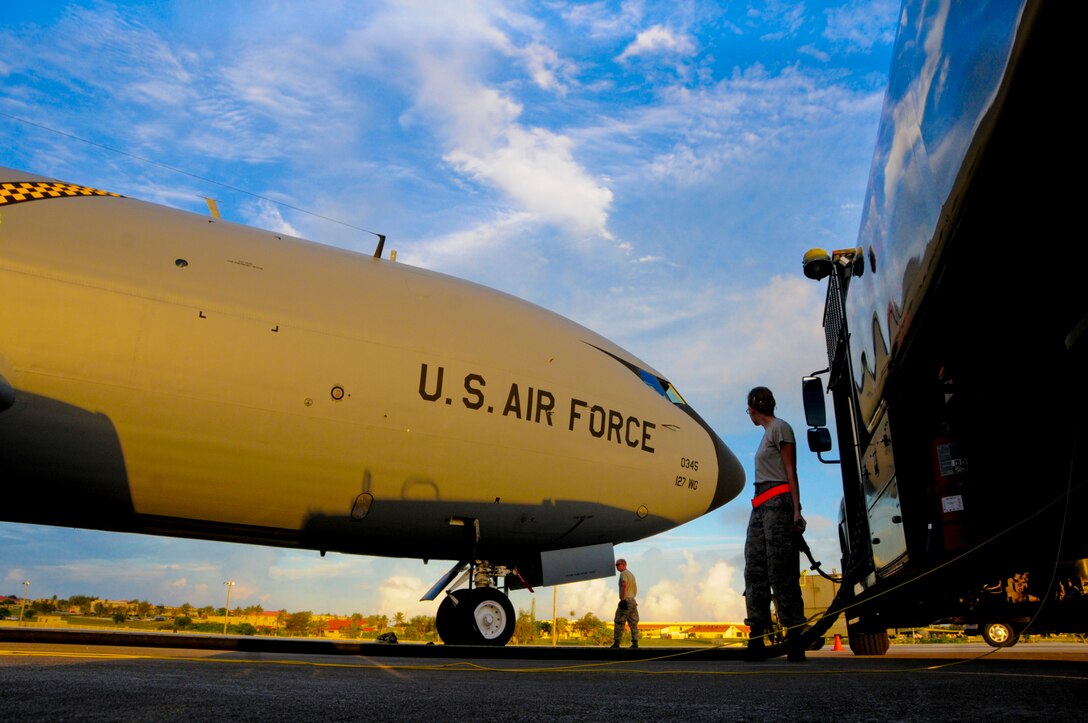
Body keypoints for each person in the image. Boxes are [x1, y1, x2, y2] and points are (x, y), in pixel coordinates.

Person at [743, 386, 807, 663]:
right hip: (760, 506)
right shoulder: (766, 435)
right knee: (755, 570)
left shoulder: (781, 429)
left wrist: (796, 510)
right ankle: (757, 638)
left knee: (781, 571)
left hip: (779, 504)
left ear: (754, 409)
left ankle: (795, 641)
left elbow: (791, 470)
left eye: (749, 410)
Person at [611, 558, 639, 648]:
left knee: (619, 620)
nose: (617, 566)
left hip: (626, 600)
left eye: (618, 564)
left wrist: (623, 599)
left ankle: (616, 643)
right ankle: (635, 642)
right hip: (633, 601)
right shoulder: (631, 574)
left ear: (624, 565)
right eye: (616, 565)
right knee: (633, 622)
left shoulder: (623, 574)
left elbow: (624, 584)